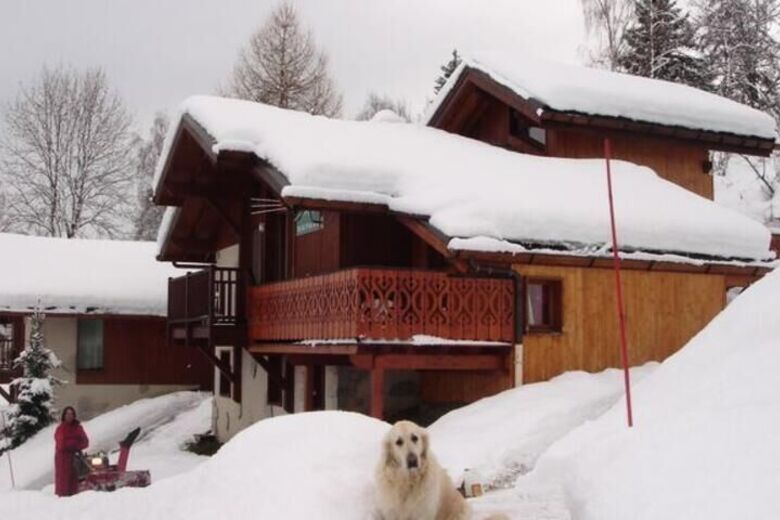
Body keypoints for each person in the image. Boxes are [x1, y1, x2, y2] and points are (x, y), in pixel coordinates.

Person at [54, 406, 89, 497]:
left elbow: (85, 442)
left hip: (75, 458)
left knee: (75, 481)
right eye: (67, 414)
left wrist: (74, 445)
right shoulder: (60, 428)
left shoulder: (78, 428)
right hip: (63, 460)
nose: (69, 416)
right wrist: (74, 443)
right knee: (63, 482)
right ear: (64, 415)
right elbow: (61, 444)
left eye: (71, 414)